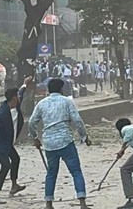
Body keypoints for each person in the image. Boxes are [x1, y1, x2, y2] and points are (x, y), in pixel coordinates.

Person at [29, 79, 91, 209]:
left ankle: (49, 203)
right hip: (65, 140)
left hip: (49, 143)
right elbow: (77, 120)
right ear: (61, 89)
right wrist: (84, 136)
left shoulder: (41, 104)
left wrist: (35, 138)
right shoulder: (67, 101)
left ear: (49, 90)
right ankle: (82, 203)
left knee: (51, 173)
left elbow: (31, 123)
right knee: (76, 172)